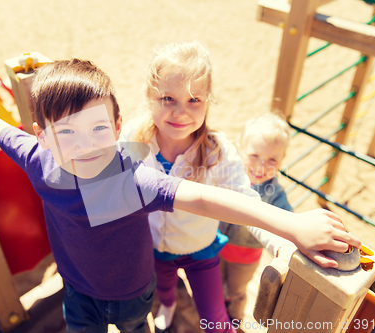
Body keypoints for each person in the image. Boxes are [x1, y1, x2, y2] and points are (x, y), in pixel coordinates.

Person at [0, 59, 359, 333]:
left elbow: (203, 198)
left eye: (97, 129)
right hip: (77, 291)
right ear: (41, 137)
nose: (85, 145)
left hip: (132, 292)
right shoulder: (37, 161)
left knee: (133, 328)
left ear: (118, 127)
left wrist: (290, 224)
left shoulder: (128, 181)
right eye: (67, 133)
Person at [119, 41, 301, 332]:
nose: (181, 112)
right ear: (149, 96)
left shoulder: (217, 152)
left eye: (194, 100)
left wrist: (280, 239)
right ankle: (169, 304)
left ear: (207, 101)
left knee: (215, 320)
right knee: (164, 290)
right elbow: (114, 187)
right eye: (168, 98)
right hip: (152, 247)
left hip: (200, 251)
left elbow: (246, 200)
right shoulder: (133, 136)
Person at [219, 111, 293, 321]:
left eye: (272, 159)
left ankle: (235, 317)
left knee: (236, 291)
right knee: (215, 284)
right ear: (239, 150)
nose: (262, 165)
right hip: (216, 245)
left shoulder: (275, 193)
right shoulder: (230, 176)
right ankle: (216, 313)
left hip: (245, 257)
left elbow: (287, 218)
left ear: (282, 160)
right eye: (254, 156)